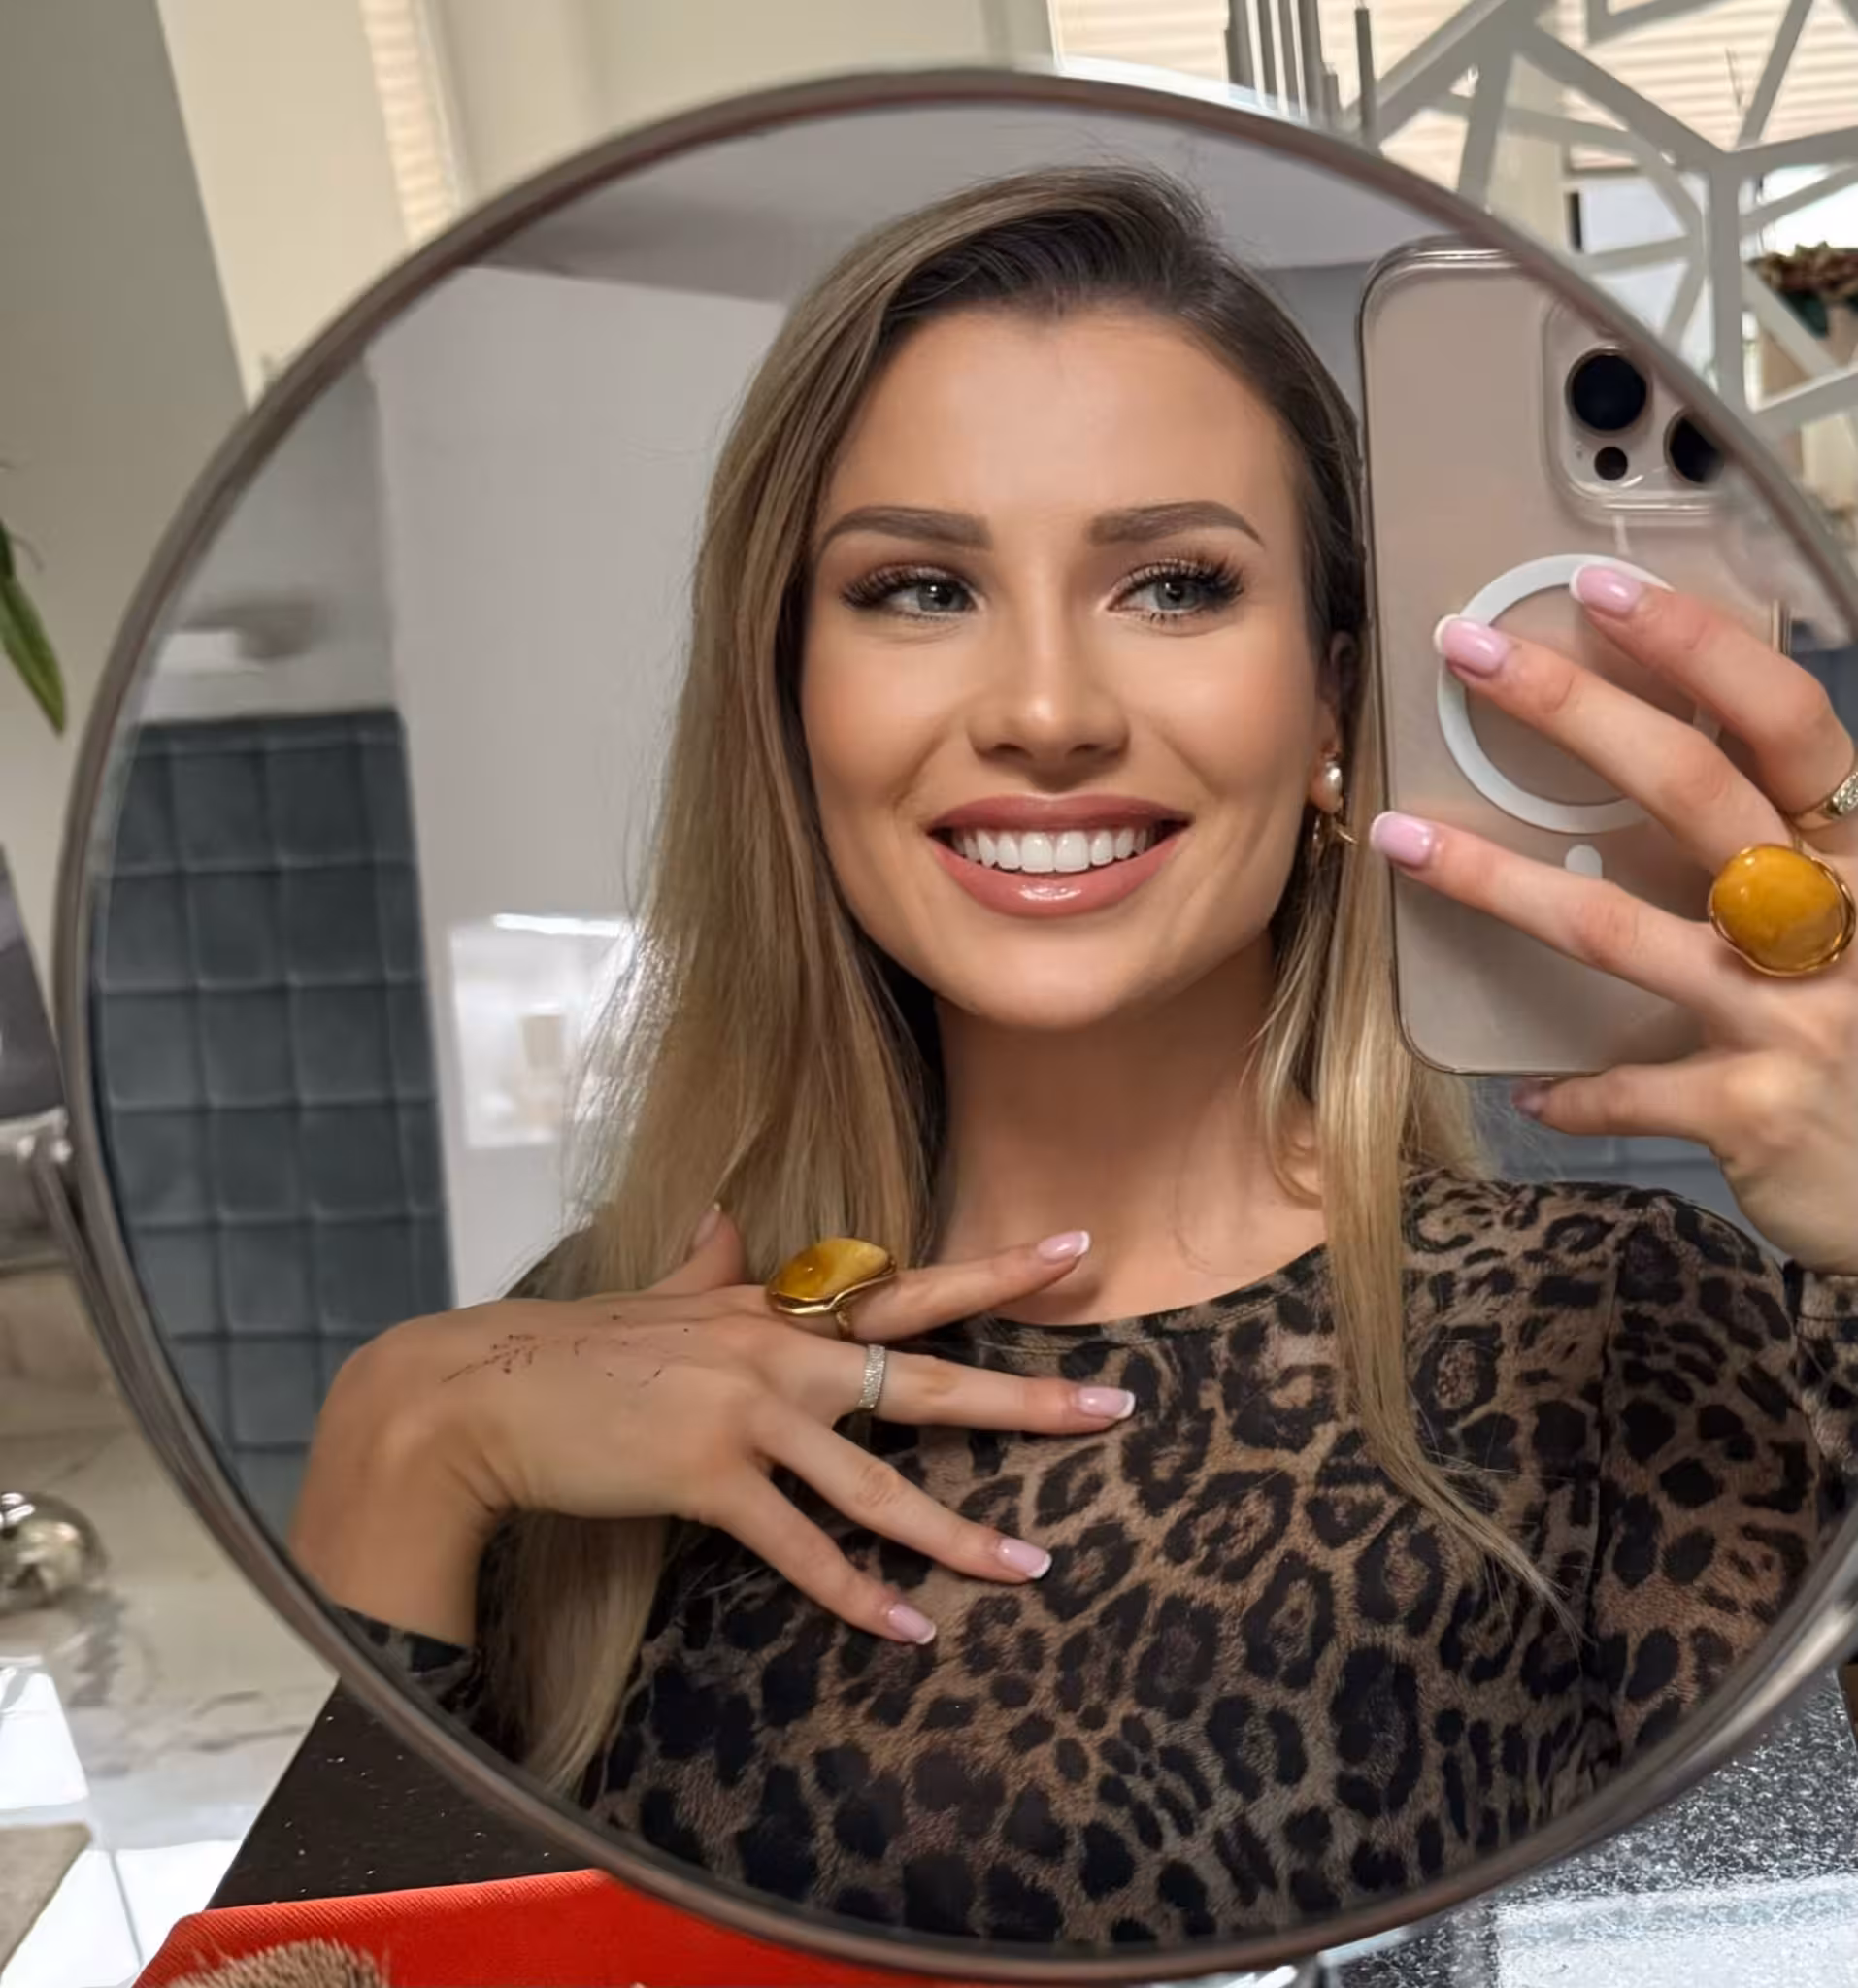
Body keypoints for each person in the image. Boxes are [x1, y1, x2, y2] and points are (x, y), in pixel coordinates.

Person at [292, 167, 1858, 1945]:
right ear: (787, 701)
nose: (1044, 712)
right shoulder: (582, 1346)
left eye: (1175, 586)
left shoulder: (1615, 1334)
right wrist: (406, 1437)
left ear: (1331, 699)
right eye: (917, 589)